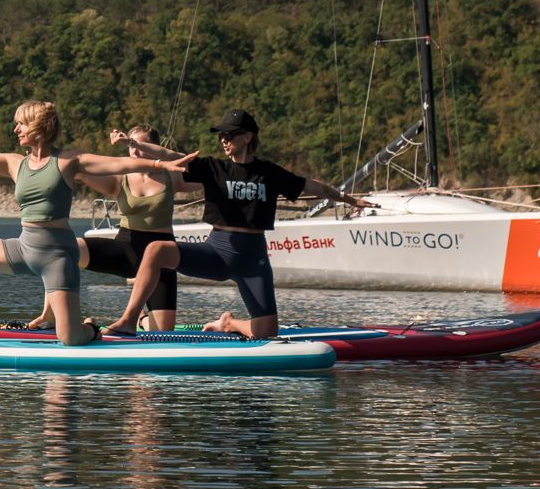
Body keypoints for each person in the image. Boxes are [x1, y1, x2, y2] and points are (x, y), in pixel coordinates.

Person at [0, 105, 192, 344]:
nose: (15, 129)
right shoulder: (14, 163)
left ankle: (90, 328)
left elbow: (121, 163)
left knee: (71, 339)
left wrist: (159, 165)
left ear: (37, 127)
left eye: (20, 124)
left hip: (57, 257)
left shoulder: (68, 161)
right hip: (24, 248)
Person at [107, 108, 369, 339]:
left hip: (251, 261)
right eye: (221, 135)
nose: (224, 139)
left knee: (267, 333)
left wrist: (348, 199)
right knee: (156, 249)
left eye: (230, 134)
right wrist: (131, 142)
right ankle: (130, 321)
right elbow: (169, 153)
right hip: (216, 252)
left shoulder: (269, 173)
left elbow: (311, 185)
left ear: (248, 137)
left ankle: (228, 322)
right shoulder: (213, 168)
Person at [26, 124, 186, 335]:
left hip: (161, 256)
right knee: (64, 250)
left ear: (156, 147)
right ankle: (50, 314)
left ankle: (142, 320)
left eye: (140, 145)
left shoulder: (171, 176)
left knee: (163, 333)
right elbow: (79, 172)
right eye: (131, 147)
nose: (135, 151)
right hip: (126, 248)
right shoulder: (120, 178)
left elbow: (195, 165)